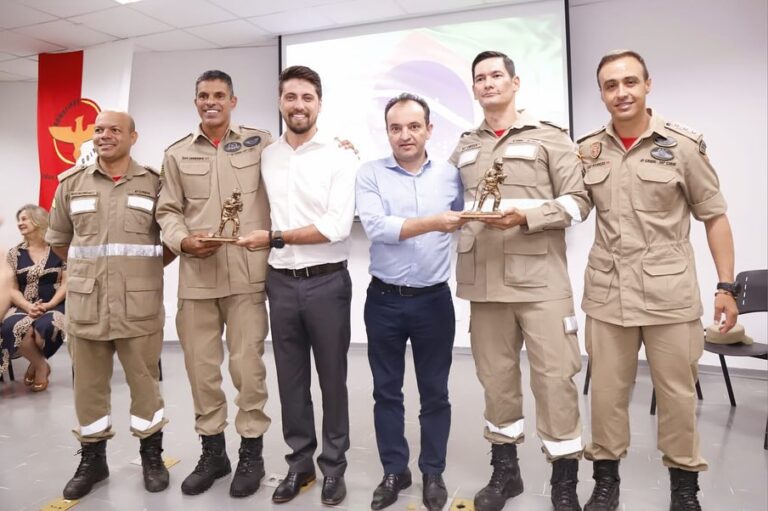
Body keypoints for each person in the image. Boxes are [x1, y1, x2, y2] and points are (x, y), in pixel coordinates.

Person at [578, 49, 737, 511]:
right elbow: (571, 204)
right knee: (606, 397)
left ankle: (684, 489)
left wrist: (726, 287)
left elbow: (715, 216)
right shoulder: (587, 149)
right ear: (602, 93)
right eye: (610, 85)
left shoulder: (683, 146)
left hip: (670, 298)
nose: (621, 92)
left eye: (630, 81)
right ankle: (606, 483)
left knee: (677, 398)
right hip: (608, 297)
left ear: (648, 84)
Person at [448, 51, 592, 511]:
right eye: (480, 78)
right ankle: (504, 472)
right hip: (485, 283)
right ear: (474, 89)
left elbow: (578, 201)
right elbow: (438, 192)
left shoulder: (551, 138)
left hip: (540, 283)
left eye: (496, 76)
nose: (488, 84)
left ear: (514, 82)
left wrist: (526, 217)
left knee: (556, 381)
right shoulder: (464, 146)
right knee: (497, 381)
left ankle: (564, 480)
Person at [236, 65, 358, 507]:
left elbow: (337, 227)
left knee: (332, 379)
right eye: (291, 97)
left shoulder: (342, 155)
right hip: (280, 282)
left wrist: (273, 237)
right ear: (280, 102)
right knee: (290, 380)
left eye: (307, 97)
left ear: (319, 103)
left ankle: (334, 467)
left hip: (327, 281)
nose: (299, 105)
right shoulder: (267, 155)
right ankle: (299, 464)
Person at [155, 69, 273, 498]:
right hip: (198, 279)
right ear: (196, 102)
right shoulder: (177, 153)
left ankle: (251, 453)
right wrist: (182, 240)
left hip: (246, 275)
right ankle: (213, 452)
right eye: (203, 95)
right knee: (202, 372)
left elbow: (291, 181)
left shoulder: (262, 143)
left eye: (219, 95)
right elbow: (167, 210)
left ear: (233, 101)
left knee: (247, 369)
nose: (211, 101)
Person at [46, 110, 169, 498]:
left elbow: (170, 242)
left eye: (115, 130)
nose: (104, 136)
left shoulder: (154, 184)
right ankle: (92, 460)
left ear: (133, 136)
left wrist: (139, 271)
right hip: (87, 304)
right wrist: (90, 271)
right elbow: (59, 240)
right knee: (88, 388)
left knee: (145, 385)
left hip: (139, 303)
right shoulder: (70, 184)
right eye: (99, 130)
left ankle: (152, 455)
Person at [355, 93, 465, 511]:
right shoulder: (369, 174)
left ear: (429, 130)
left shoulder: (451, 176)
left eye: (413, 126)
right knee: (387, 392)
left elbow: (468, 218)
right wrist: (434, 223)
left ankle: (432, 472)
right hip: (383, 300)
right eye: (396, 128)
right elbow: (377, 227)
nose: (405, 135)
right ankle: (394, 471)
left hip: (433, 302)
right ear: (387, 132)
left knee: (435, 392)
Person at [1, 204, 66, 392]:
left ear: (38, 221)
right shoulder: (15, 253)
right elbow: (11, 288)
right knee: (14, 328)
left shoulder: (58, 250)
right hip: (22, 305)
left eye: (24, 219)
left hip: (54, 304)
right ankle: (42, 366)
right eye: (18, 220)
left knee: (43, 330)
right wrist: (28, 307)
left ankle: (35, 363)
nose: (20, 223)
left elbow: (66, 283)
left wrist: (50, 304)